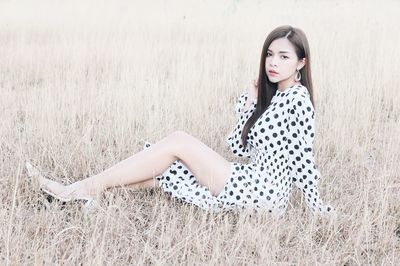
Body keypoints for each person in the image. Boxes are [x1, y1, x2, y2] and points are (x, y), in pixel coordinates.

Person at [25, 25, 335, 217]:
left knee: (178, 141)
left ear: (301, 63)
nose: (273, 62)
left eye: (284, 56)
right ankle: (89, 195)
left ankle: (73, 190)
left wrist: (318, 207)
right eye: (270, 54)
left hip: (263, 192)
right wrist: (250, 103)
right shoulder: (272, 97)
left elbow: (303, 159)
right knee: (167, 171)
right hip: (249, 178)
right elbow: (237, 148)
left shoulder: (298, 100)